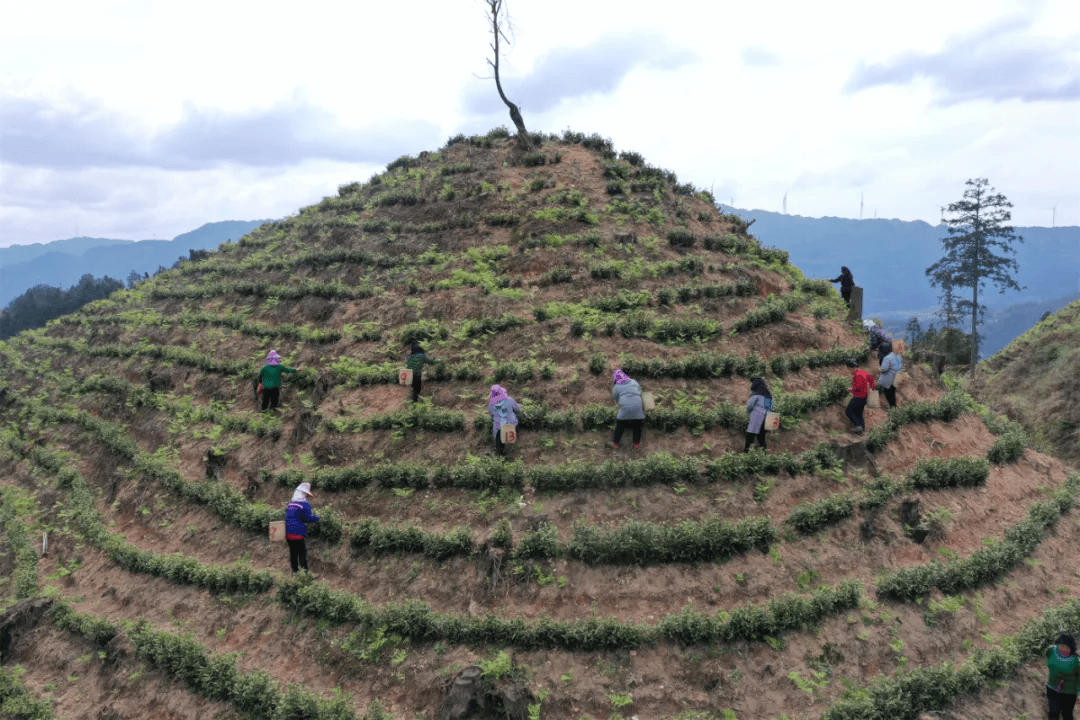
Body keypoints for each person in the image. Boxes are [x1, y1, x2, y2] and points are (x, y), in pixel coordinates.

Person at [284, 482, 319, 574]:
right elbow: (308, 518)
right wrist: (317, 518)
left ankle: (295, 572)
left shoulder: (291, 504)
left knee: (293, 553)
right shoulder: (304, 504)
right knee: (302, 553)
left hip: (288, 532)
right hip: (298, 532)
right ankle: (306, 574)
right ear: (304, 493)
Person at [1045, 633, 1080, 720]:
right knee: (1053, 713)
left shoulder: (1075, 661)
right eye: (1061, 645)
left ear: (1071, 647)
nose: (1063, 648)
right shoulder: (1051, 650)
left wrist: (1079, 693)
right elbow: (1047, 656)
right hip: (1052, 688)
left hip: (1068, 693)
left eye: (1066, 647)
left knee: (1067, 714)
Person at [611, 369, 645, 449]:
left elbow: (617, 399)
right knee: (638, 426)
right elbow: (640, 393)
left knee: (620, 425)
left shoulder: (616, 387)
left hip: (625, 409)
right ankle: (636, 444)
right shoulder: (634, 382)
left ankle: (615, 444)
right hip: (638, 408)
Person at [488, 384, 521, 457]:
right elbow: (517, 409)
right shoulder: (509, 400)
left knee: (498, 441)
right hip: (511, 425)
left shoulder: (491, 404)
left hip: (498, 427)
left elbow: (491, 413)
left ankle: (500, 455)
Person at [845, 358, 875, 434]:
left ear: (853, 368)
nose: (849, 371)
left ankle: (858, 426)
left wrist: (850, 390)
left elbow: (858, 387)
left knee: (849, 411)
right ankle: (862, 430)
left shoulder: (857, 375)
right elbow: (871, 379)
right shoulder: (863, 372)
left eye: (849, 369)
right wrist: (872, 388)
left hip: (859, 397)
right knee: (859, 413)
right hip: (864, 398)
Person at [744, 376, 773, 452]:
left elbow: (749, 406)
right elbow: (770, 407)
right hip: (768, 417)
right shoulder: (768, 396)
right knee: (761, 437)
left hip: (757, 416)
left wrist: (749, 412)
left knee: (750, 435)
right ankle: (765, 454)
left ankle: (746, 453)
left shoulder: (756, 395)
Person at [877, 343, 902, 409]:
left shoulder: (887, 358)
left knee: (888, 393)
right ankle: (893, 406)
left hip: (889, 378)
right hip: (897, 378)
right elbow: (900, 366)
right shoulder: (898, 356)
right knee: (892, 392)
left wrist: (879, 369)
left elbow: (884, 369)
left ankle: (892, 407)